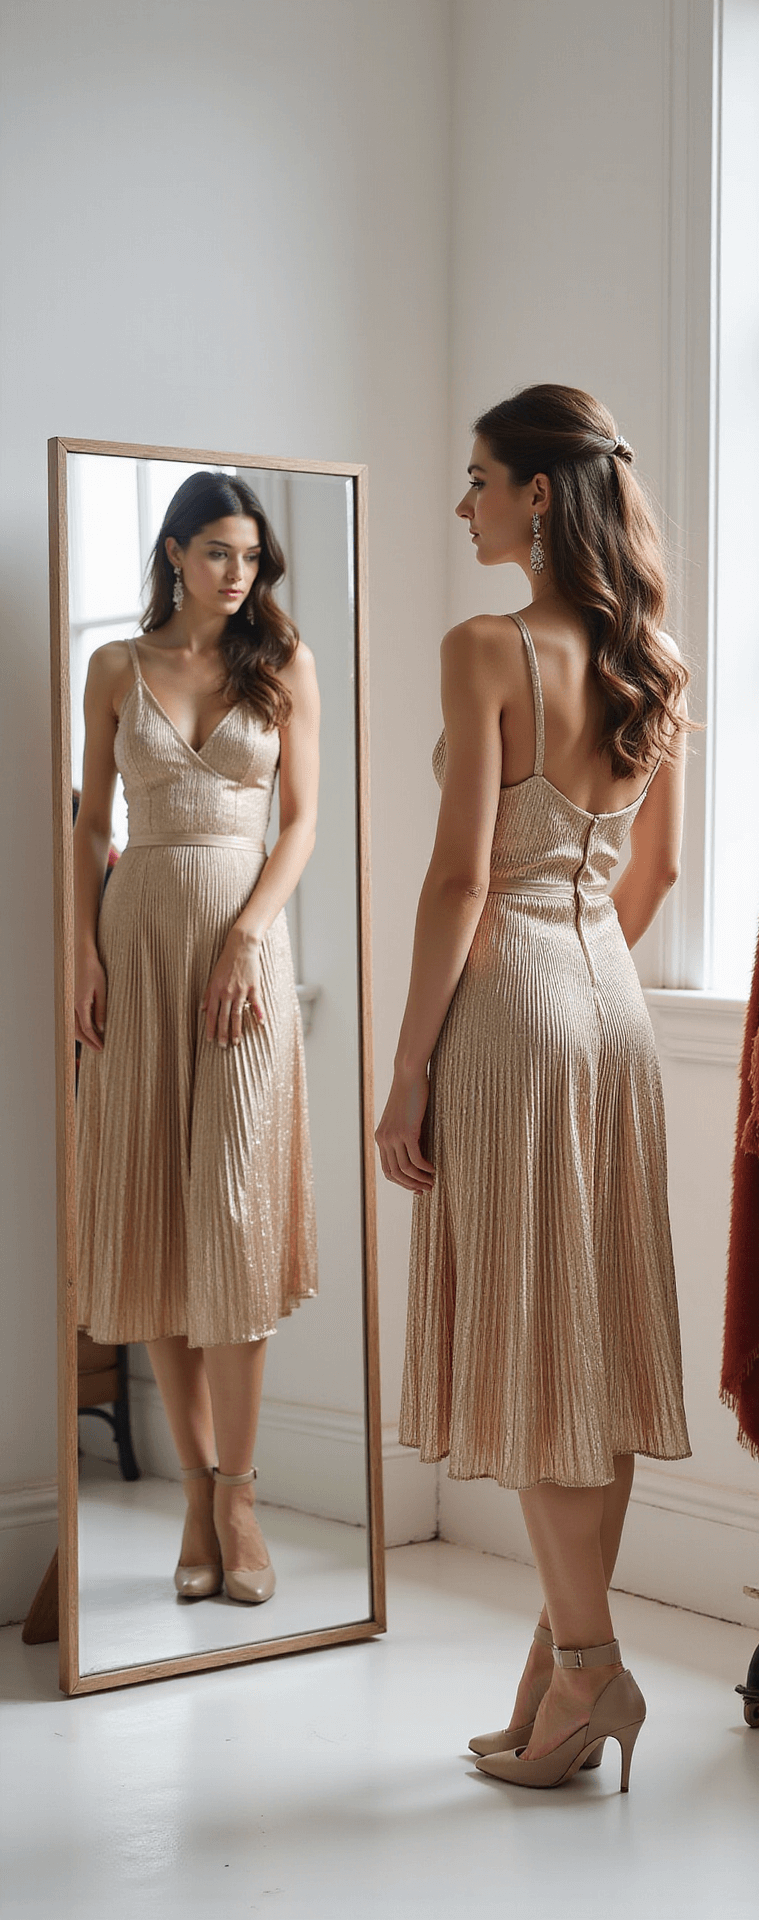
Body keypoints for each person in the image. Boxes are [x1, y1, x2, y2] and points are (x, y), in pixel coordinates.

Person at [375, 384, 691, 1790]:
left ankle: (590, 1667)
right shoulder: (651, 659)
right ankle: (564, 1661)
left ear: (540, 494)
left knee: (533, 1346)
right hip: (611, 1009)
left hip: (512, 1003)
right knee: (590, 1351)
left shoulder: (485, 647)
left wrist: (408, 1072)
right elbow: (654, 872)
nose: (464, 505)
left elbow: (458, 881)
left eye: (479, 479)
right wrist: (579, 975)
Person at [74, 470, 320, 1606]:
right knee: (163, 1225)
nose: (238, 574)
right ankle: (191, 1492)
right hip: (137, 944)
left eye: (251, 556)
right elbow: (92, 825)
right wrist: (82, 956)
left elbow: (300, 821)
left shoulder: (282, 662)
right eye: (219, 551)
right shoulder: (114, 668)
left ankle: (240, 1496)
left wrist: (247, 938)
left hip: (242, 957)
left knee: (232, 1218)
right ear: (175, 552)